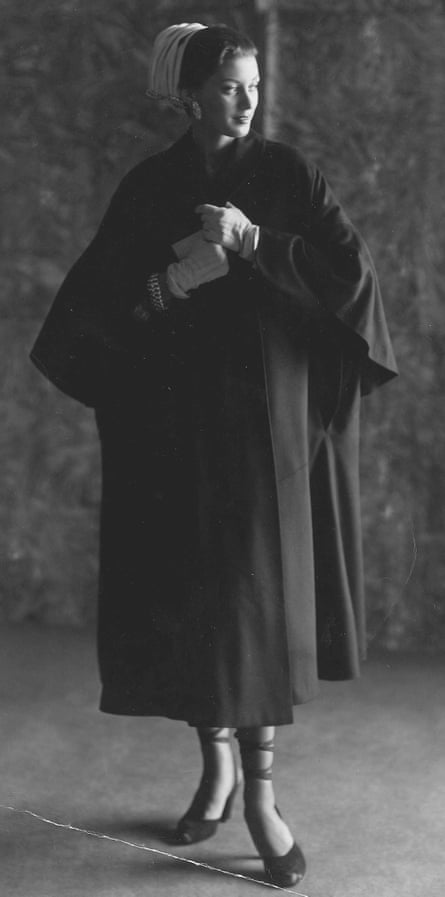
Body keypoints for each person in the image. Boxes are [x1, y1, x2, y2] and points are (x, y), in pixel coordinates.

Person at [30, 22, 398, 887]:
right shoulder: (151, 185)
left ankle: (263, 798)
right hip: (177, 435)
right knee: (199, 605)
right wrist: (167, 284)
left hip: (265, 435)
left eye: (254, 84)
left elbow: (353, 279)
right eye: (231, 85)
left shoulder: (286, 175)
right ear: (191, 93)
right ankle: (217, 767)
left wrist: (254, 244)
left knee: (254, 607)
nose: (247, 99)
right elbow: (91, 313)